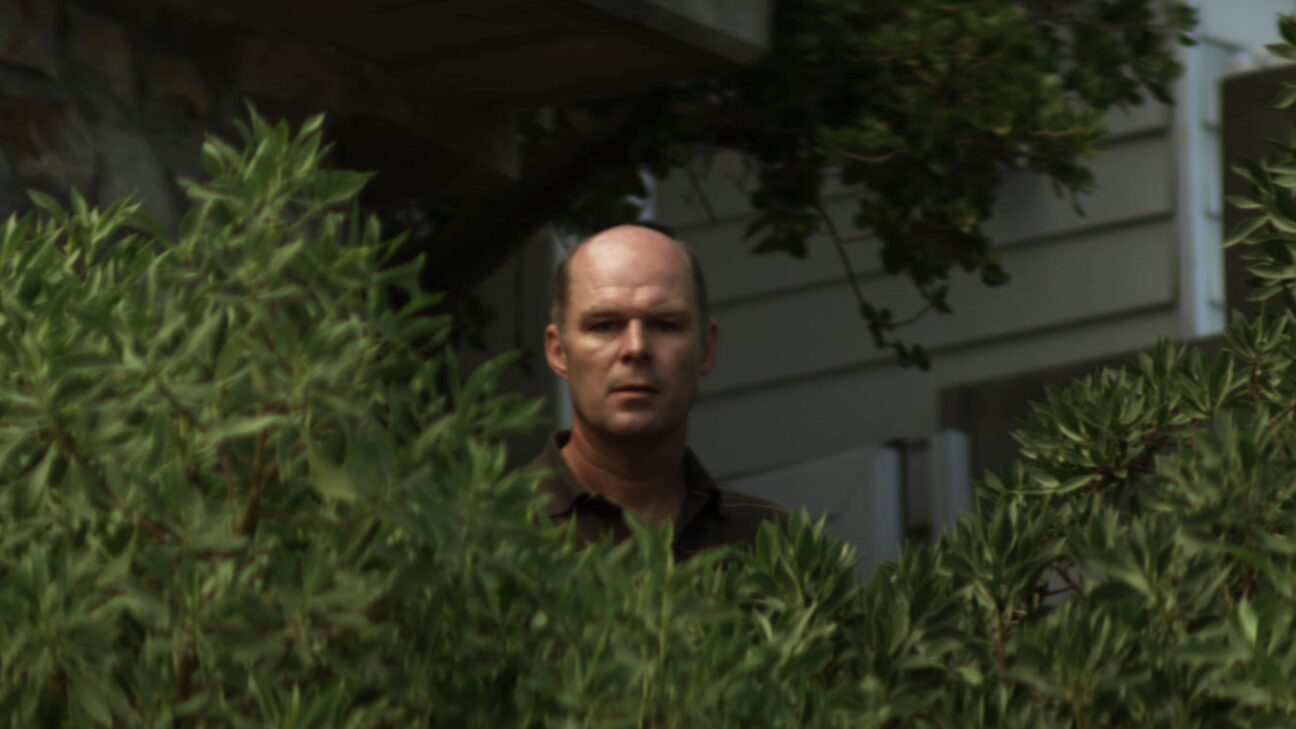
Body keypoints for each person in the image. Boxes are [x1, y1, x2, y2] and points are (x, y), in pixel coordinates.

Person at [532, 224, 785, 559]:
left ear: (706, 348)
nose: (636, 348)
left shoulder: (773, 544)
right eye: (604, 325)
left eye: (665, 324)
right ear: (558, 352)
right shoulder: (487, 534)